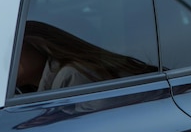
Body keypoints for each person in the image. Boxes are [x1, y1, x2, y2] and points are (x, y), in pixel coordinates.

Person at [16, 20, 156, 93]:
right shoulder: (21, 94)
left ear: (39, 44)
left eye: (14, 49)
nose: (7, 60)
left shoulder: (72, 76)